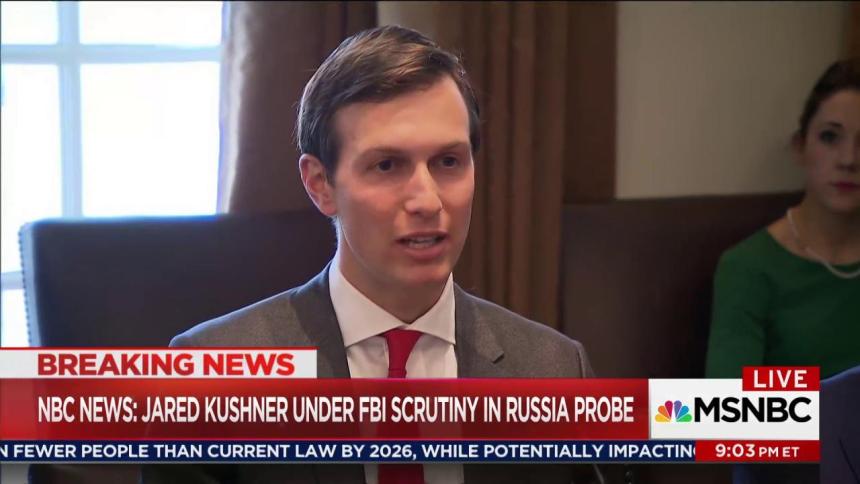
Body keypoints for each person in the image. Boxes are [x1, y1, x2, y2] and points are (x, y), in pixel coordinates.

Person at [148, 26, 599, 484]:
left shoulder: (556, 371)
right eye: (387, 165)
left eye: (448, 162)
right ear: (321, 185)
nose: (427, 201)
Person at [706, 58, 860, 380]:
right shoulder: (748, 267)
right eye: (830, 137)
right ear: (800, 147)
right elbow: (727, 400)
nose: (848, 159)